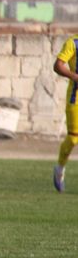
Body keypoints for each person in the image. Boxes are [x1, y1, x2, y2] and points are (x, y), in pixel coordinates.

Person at [52, 36, 78, 192]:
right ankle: (59, 169)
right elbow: (58, 66)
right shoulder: (73, 43)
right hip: (75, 99)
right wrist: (74, 77)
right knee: (74, 138)